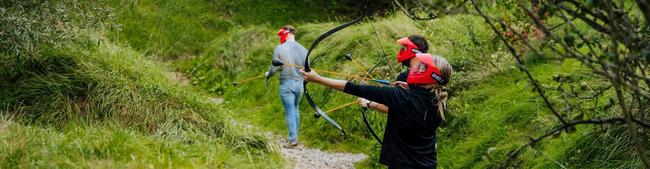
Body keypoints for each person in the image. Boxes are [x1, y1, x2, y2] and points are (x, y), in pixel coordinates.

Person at [301, 53, 453, 168]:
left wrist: (317, 78)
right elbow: (416, 103)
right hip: (427, 164)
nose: (415, 68)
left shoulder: (401, 97)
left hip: (402, 165)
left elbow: (353, 87)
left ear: (430, 74)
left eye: (421, 67)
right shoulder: (440, 101)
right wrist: (409, 89)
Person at [360, 35, 430, 113]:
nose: (401, 51)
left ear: (412, 50)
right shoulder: (432, 73)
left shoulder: (405, 77)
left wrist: (369, 103)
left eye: (404, 48)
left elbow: (393, 107)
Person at [265, 25, 307, 148]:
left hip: (286, 84)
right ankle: (295, 136)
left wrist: (268, 74)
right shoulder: (304, 49)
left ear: (285, 33)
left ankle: (292, 139)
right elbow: (307, 68)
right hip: (300, 84)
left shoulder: (279, 48)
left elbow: (273, 68)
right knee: (296, 109)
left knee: (289, 111)